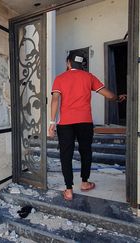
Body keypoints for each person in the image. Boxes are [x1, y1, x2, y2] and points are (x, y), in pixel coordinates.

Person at [49, 54, 126, 201]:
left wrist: (52, 123)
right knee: (85, 152)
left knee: (66, 155)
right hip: (85, 122)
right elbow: (109, 95)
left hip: (65, 124)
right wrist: (118, 97)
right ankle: (85, 183)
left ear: (68, 63)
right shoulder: (88, 77)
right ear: (82, 65)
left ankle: (69, 189)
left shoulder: (60, 78)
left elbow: (55, 100)